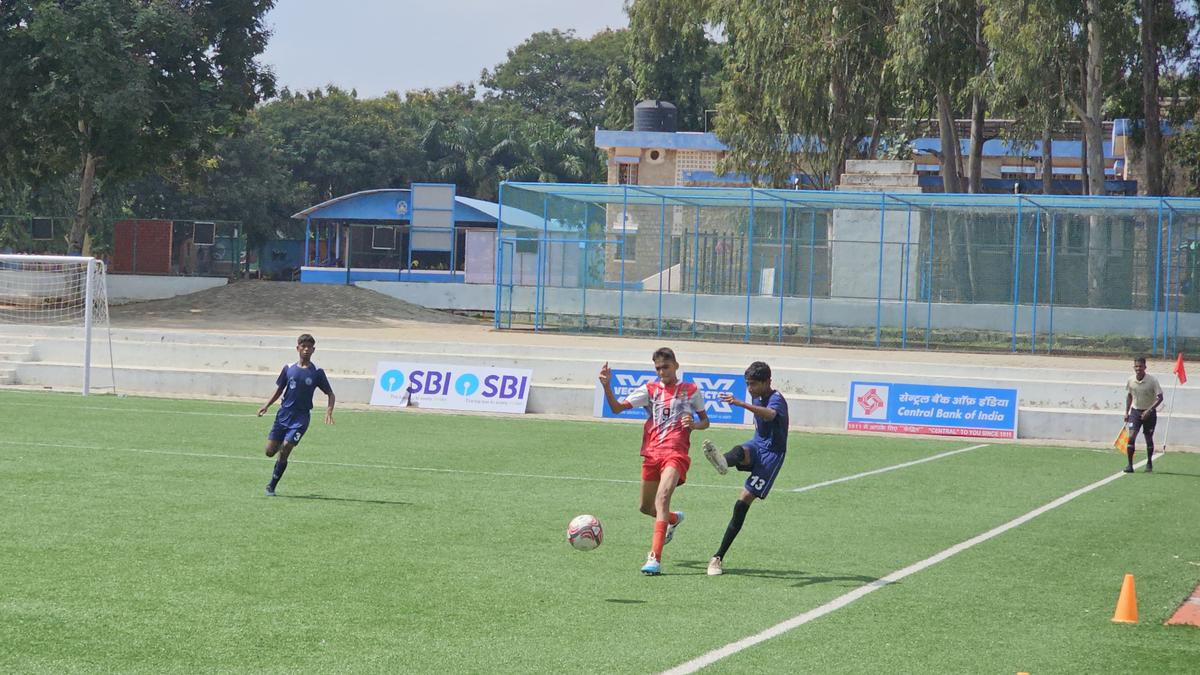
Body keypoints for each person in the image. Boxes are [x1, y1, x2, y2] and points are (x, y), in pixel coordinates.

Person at [600, 347, 709, 575]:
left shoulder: (691, 390)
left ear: (676, 366)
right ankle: (673, 519)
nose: (662, 372)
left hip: (676, 453)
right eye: (658, 368)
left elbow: (705, 421)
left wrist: (694, 425)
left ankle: (654, 559)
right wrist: (607, 386)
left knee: (662, 498)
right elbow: (617, 408)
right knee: (645, 507)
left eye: (666, 367)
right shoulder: (649, 390)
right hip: (652, 453)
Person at [700, 361, 788, 576]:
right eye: (748, 384)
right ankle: (723, 461)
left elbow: (770, 415)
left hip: (771, 456)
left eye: (754, 384)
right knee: (740, 451)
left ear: (768, 382)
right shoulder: (755, 395)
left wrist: (741, 404)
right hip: (757, 444)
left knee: (742, 504)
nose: (750, 388)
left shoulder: (776, 399)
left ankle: (718, 557)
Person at [257, 333, 335, 495]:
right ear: (297, 348)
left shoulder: (317, 372)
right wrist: (266, 405)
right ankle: (282, 447)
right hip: (283, 415)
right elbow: (279, 389)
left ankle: (271, 486)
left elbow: (330, 393)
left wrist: (329, 410)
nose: (306, 349)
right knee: (269, 452)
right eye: (303, 346)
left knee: (286, 448)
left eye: (309, 347)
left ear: (313, 350)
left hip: (301, 418)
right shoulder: (288, 368)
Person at [1123, 356, 1162, 473]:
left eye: (1140, 366)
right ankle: (1130, 465)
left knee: (1148, 437)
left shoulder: (1152, 380)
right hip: (1135, 411)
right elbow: (1129, 395)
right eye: (1136, 366)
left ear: (1145, 367)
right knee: (1131, 436)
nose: (1138, 368)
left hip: (1149, 413)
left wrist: (1149, 410)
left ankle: (1149, 462)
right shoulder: (1130, 380)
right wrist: (1126, 412)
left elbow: (1160, 397)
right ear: (1133, 367)